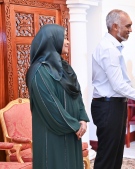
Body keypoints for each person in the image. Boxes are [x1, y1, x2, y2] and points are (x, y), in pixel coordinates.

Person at [91, 9, 135, 169]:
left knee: (115, 154)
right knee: (107, 157)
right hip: (108, 107)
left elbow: (121, 83)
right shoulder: (108, 49)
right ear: (115, 26)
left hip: (114, 105)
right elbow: (118, 85)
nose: (130, 30)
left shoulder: (113, 47)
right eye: (128, 26)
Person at [26, 24, 89, 169]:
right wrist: (74, 125)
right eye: (63, 37)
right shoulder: (39, 71)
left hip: (73, 133)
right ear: (52, 40)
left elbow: (77, 94)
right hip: (53, 135)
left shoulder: (65, 67)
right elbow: (50, 106)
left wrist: (82, 119)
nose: (67, 41)